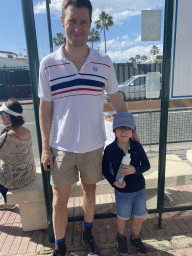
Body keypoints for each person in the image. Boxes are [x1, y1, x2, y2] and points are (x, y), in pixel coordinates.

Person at [38, 0, 139, 255]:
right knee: (59, 201)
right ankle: (60, 247)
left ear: (90, 24)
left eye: (83, 21)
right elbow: (45, 108)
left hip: (94, 146)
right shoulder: (48, 64)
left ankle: (88, 234)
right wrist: (45, 147)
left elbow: (116, 100)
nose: (77, 27)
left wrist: (133, 133)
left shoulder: (104, 62)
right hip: (60, 148)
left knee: (90, 193)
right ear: (62, 21)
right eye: (72, 21)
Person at [102, 112, 150, 256]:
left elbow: (146, 165)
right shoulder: (110, 149)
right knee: (122, 217)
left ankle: (135, 237)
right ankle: (121, 237)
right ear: (114, 131)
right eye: (120, 128)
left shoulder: (136, 146)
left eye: (127, 128)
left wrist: (134, 169)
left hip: (139, 189)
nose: (124, 132)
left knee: (139, 217)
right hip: (122, 191)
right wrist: (115, 182)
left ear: (132, 131)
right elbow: (104, 169)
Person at [0, 99, 36, 210]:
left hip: (16, 181)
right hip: (30, 174)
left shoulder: (6, 138)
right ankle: (8, 202)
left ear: (7, 116)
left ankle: (8, 202)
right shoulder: (26, 130)